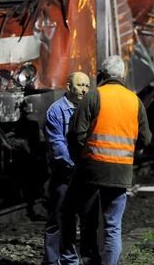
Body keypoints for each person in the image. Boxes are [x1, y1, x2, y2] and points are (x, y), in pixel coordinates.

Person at [67, 55, 151, 265]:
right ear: (123, 75)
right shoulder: (135, 100)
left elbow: (77, 133)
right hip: (121, 172)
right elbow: (145, 138)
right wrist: (129, 152)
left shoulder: (93, 96)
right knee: (113, 226)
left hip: (93, 171)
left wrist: (83, 157)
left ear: (101, 75)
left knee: (88, 224)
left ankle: (90, 262)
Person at [42, 71, 94, 265]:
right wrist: (76, 166)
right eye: (80, 85)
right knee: (57, 219)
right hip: (64, 174)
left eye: (87, 86)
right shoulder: (56, 111)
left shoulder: (89, 108)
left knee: (78, 219)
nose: (84, 89)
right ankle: (52, 261)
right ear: (69, 86)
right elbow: (57, 145)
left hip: (84, 173)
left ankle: (70, 259)